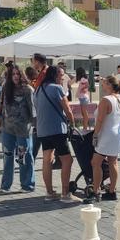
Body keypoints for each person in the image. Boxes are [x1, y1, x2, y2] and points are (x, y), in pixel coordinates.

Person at [0, 64, 36, 193]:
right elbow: (1, 104)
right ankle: (6, 185)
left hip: (23, 130)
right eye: (13, 74)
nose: (16, 76)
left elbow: (33, 111)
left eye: (18, 74)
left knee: (24, 157)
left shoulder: (28, 90)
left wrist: (35, 126)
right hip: (8, 128)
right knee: (7, 156)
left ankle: (27, 184)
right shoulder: (6, 87)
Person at [36, 65, 76, 200]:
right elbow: (67, 109)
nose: (62, 78)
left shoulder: (38, 89)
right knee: (67, 160)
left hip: (42, 130)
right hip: (57, 129)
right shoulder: (57, 88)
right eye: (61, 75)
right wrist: (72, 123)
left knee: (47, 160)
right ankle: (65, 193)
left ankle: (49, 192)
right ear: (55, 75)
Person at [89, 75, 120, 202]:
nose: (102, 85)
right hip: (116, 134)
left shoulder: (106, 100)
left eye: (104, 83)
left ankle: (96, 191)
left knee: (95, 162)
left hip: (105, 135)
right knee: (113, 162)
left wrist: (95, 135)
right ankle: (112, 191)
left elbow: (100, 120)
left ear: (110, 85)